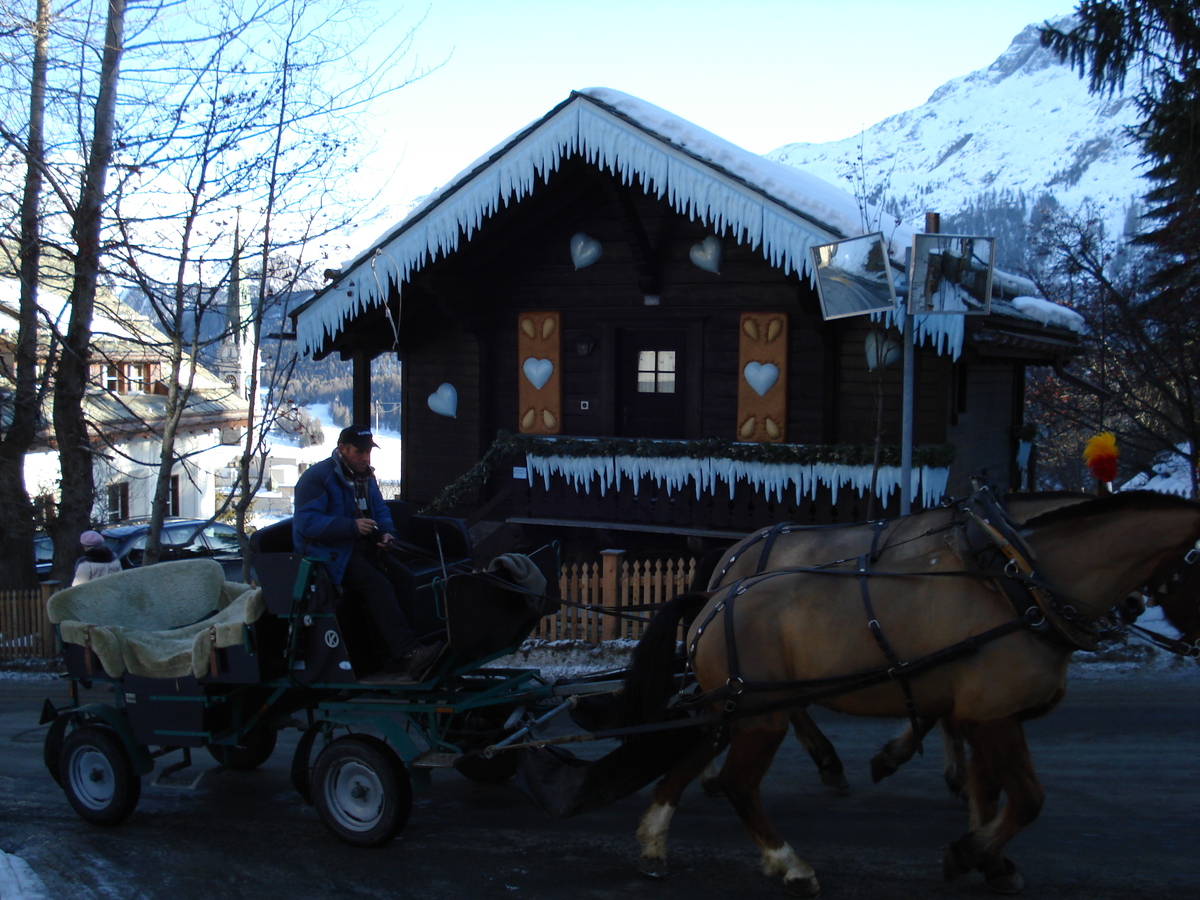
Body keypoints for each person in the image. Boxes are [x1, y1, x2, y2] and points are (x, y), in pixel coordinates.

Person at [292, 424, 445, 680]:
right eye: (359, 452)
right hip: (328, 554)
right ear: (342, 449)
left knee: (405, 580)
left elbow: (380, 510)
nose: (365, 458)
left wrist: (387, 534)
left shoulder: (366, 477)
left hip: (360, 546)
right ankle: (408, 653)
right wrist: (350, 527)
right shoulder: (317, 478)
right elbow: (307, 523)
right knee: (378, 585)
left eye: (368, 452)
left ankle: (393, 658)